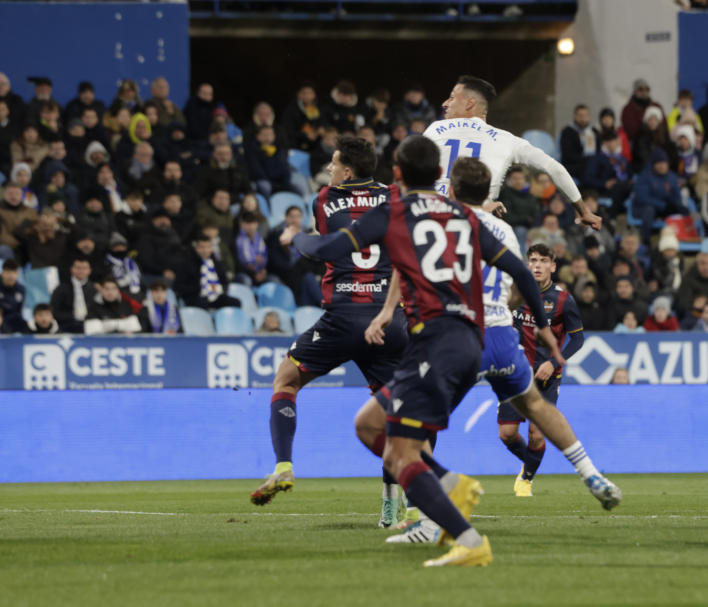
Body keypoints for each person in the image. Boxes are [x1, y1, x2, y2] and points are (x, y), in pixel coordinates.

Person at [281, 137, 618, 566]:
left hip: (435, 342)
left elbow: (329, 249)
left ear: (398, 175)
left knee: (386, 439)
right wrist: (549, 334)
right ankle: (452, 497)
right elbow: (518, 270)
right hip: (469, 337)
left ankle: (458, 520)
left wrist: (296, 239)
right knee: (373, 423)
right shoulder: (466, 217)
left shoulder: (396, 211)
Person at [246, 137, 409, 520]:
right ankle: (393, 501)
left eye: (334, 164)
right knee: (401, 410)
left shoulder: (324, 199)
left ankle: (283, 466)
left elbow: (328, 241)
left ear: (347, 171)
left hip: (341, 318)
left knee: (286, 380)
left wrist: (294, 238)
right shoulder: (396, 197)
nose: (330, 170)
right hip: (389, 319)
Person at [424, 76, 601, 231]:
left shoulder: (435, 129)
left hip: (428, 219)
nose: (445, 103)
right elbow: (555, 168)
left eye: (452, 98)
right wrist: (584, 212)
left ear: (470, 103)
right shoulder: (507, 140)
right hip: (477, 225)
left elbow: (410, 170)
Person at [501, 242, 585, 496]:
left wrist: (553, 363)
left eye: (543, 261)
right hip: (514, 372)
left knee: (537, 436)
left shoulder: (563, 299)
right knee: (506, 434)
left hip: (547, 375)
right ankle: (530, 462)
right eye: (533, 260)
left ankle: (526, 478)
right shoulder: (515, 293)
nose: (537, 265)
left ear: (553, 266)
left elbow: (578, 339)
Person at [632, 147, 685, 241]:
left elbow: (676, 195)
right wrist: (663, 206)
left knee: (682, 209)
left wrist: (676, 205)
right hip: (643, 208)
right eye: (659, 163)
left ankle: (684, 238)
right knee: (649, 210)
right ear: (654, 164)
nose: (662, 166)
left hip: (663, 208)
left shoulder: (671, 176)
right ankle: (646, 240)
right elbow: (642, 197)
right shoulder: (645, 177)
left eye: (664, 163)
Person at [175, 234, 239, 310]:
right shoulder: (187, 264)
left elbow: (224, 282)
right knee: (202, 302)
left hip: (216, 295)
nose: (205, 250)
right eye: (202, 247)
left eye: (208, 247)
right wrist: (199, 288)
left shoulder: (217, 264)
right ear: (196, 248)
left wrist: (219, 290)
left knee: (235, 302)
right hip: (195, 297)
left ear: (212, 248)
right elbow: (178, 286)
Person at [559, 105, 599, 181]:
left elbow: (598, 152)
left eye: (585, 115)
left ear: (589, 116)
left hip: (592, 164)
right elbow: (567, 155)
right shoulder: (567, 132)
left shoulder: (594, 132)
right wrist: (587, 160)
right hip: (573, 165)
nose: (582, 119)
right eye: (580, 116)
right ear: (575, 116)